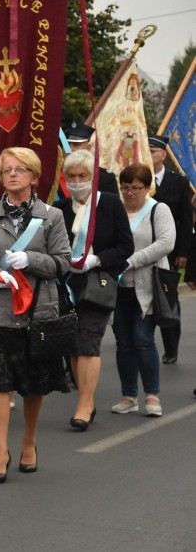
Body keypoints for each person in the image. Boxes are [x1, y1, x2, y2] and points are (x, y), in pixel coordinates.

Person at [0, 147, 71, 483]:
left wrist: (32, 261)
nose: (12, 174)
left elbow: (63, 262)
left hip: (39, 308)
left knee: (34, 382)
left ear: (35, 177)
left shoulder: (51, 216)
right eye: (7, 169)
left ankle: (28, 441)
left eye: (20, 169)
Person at [53, 150, 134, 430]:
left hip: (98, 283)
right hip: (66, 285)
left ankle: (84, 404)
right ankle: (86, 400)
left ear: (93, 177)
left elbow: (126, 247)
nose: (77, 181)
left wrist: (97, 259)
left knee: (88, 340)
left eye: (82, 176)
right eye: (71, 176)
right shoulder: (59, 209)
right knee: (73, 345)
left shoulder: (109, 204)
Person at [110, 163, 175, 417]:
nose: (129, 192)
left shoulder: (158, 209)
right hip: (117, 286)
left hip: (148, 286)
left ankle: (152, 395)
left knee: (143, 339)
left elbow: (166, 243)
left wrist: (132, 260)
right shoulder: (115, 209)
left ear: (147, 188)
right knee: (123, 342)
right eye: (125, 187)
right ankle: (128, 395)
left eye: (135, 188)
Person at [147, 133, 191, 365]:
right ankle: (142, 342)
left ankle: (171, 347)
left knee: (169, 298)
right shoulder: (139, 179)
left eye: (153, 151)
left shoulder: (179, 183)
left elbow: (185, 221)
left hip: (170, 251)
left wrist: (183, 252)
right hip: (143, 249)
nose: (149, 154)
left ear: (163, 155)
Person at [62, 124, 118, 194]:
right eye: (66, 145)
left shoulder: (105, 178)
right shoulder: (53, 177)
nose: (71, 149)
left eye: (76, 144)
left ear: (88, 148)